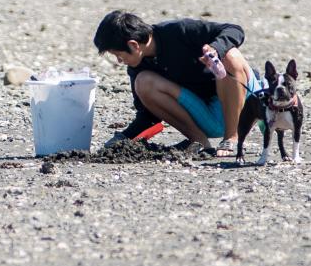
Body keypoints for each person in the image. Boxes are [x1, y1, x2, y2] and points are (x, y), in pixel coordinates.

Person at [93, 10, 262, 157]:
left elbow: (234, 30)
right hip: (207, 117)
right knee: (143, 82)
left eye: (118, 55)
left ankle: (232, 137)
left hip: (245, 105)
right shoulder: (139, 68)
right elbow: (148, 116)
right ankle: (199, 141)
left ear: (134, 45)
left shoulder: (178, 31)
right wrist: (123, 137)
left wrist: (215, 48)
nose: (119, 61)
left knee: (230, 55)